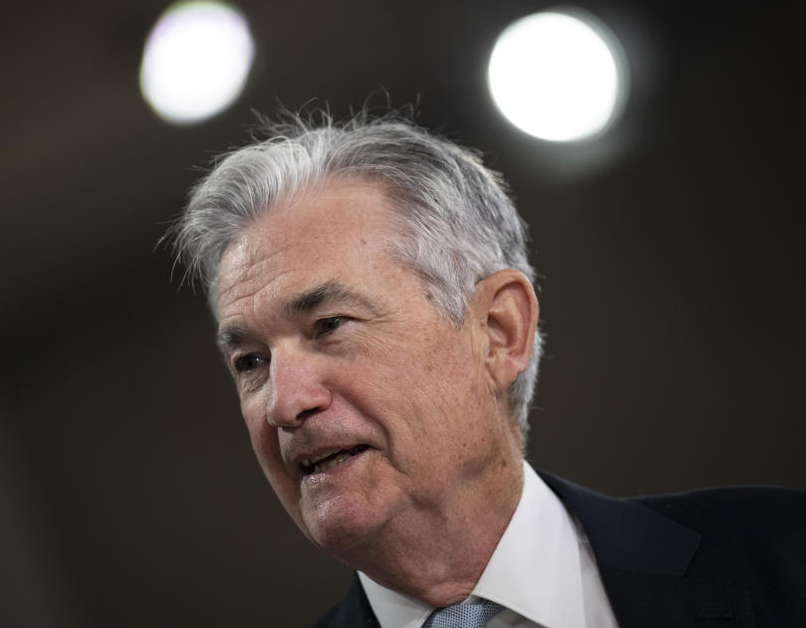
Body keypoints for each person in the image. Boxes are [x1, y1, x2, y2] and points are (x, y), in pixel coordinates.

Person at [172, 109, 805, 628]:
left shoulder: (782, 558)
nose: (284, 404)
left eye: (330, 326)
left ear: (498, 333)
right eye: (251, 361)